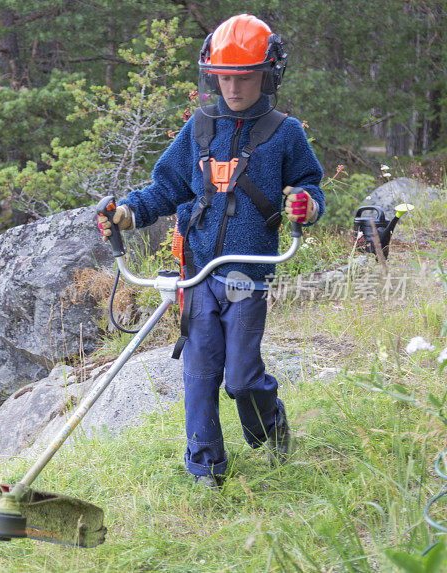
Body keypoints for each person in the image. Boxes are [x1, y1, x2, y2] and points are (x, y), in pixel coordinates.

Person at [97, 14, 325, 489]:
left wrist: (305, 206)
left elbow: (309, 185)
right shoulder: (200, 128)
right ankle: (206, 468)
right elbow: (166, 187)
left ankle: (270, 426)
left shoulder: (285, 132)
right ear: (211, 75)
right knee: (199, 377)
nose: (233, 87)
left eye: (243, 77)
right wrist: (129, 213)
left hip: (247, 277)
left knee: (239, 379)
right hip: (198, 275)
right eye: (224, 77)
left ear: (267, 75)